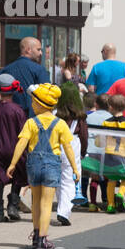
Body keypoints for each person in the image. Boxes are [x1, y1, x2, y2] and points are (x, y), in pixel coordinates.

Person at [7, 83, 80, 249]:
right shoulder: (60, 124)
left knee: (36, 202)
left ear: (40, 104)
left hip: (34, 164)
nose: (32, 104)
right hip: (52, 165)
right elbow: (68, 147)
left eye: (33, 102)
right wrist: (75, 168)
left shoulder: (31, 123)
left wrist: (12, 163)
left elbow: (21, 143)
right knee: (47, 203)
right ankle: (42, 239)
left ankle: (36, 233)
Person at [0, 74, 27, 222]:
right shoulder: (18, 110)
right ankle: (13, 206)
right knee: (16, 176)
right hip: (14, 148)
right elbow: (23, 132)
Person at [93, 93, 125, 214]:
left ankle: (111, 205)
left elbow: (100, 142)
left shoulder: (106, 123)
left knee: (111, 180)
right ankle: (121, 193)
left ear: (110, 107)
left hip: (109, 154)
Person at [55, 82, 87, 227]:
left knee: (59, 180)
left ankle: (61, 206)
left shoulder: (55, 114)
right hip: (72, 145)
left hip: (55, 146)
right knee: (71, 180)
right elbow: (84, 136)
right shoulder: (79, 117)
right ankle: (64, 211)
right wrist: (83, 152)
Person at [2, 37, 49, 112]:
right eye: (38, 49)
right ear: (28, 50)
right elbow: (47, 95)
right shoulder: (39, 70)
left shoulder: (6, 70)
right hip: (33, 118)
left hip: (10, 116)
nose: (41, 53)